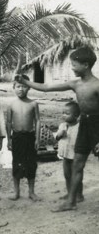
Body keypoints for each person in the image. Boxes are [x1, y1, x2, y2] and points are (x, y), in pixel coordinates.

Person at [16, 43, 99, 211]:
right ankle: (71, 201)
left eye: (74, 64)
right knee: (77, 164)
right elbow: (47, 88)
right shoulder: (75, 84)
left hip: (97, 126)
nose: (72, 67)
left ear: (86, 65)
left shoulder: (97, 85)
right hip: (84, 125)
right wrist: (25, 81)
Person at [7, 75, 41, 202]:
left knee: (31, 164)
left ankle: (31, 192)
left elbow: (37, 121)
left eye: (24, 86)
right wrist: (9, 139)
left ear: (29, 88)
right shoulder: (11, 105)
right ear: (14, 88)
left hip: (30, 136)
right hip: (17, 137)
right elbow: (9, 122)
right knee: (16, 163)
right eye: (18, 86)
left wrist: (37, 138)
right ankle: (16, 192)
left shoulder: (33, 104)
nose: (21, 89)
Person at [56, 101, 84, 202]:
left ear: (76, 115)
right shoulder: (62, 125)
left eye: (67, 113)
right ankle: (69, 193)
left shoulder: (80, 127)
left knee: (77, 175)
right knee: (67, 175)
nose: (64, 115)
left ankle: (79, 195)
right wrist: (60, 134)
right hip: (65, 155)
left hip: (76, 155)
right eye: (63, 112)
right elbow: (57, 138)